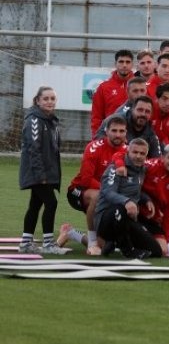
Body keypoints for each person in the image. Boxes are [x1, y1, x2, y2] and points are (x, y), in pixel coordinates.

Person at [59, 115, 128, 255]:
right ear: (106, 131)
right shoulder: (93, 148)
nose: (118, 134)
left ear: (126, 133)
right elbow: (86, 180)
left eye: (122, 131)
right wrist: (110, 193)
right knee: (97, 197)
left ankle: (71, 233)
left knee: (104, 247)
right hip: (79, 191)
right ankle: (92, 241)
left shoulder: (129, 151)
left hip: (109, 194)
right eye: (114, 130)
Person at [18, 87, 70, 255]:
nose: (49, 101)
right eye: (46, 98)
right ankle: (48, 244)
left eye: (52, 98)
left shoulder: (51, 120)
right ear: (37, 101)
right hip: (38, 173)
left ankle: (26, 243)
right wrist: (41, 175)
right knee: (51, 202)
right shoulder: (34, 119)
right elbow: (34, 149)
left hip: (47, 172)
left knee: (35, 204)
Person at [95, 138, 163, 260]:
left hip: (128, 218)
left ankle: (114, 242)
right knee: (120, 209)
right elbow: (107, 192)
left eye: (142, 154)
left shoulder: (142, 169)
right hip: (106, 219)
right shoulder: (115, 168)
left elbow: (136, 190)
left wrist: (146, 199)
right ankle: (127, 250)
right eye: (135, 152)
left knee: (156, 251)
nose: (138, 156)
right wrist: (126, 201)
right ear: (127, 152)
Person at [141, 143, 169, 251]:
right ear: (162, 157)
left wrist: (166, 238)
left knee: (163, 250)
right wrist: (146, 199)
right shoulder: (148, 167)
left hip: (152, 219)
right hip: (134, 210)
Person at [91, 49, 134, 132]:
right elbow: (96, 117)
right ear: (115, 64)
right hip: (111, 136)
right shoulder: (104, 87)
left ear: (132, 64)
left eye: (128, 62)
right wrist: (97, 137)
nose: (124, 65)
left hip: (134, 138)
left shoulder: (140, 86)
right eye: (121, 62)